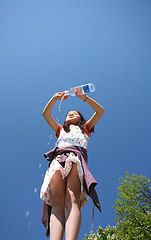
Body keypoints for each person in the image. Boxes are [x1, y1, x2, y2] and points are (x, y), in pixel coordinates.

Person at [40, 89, 105, 240]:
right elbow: (45, 114)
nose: (70, 114)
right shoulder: (61, 130)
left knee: (72, 199)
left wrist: (85, 98)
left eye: (74, 113)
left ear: (81, 119)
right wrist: (54, 98)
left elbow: (100, 111)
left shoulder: (85, 128)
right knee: (57, 202)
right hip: (57, 160)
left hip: (75, 158)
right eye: (68, 113)